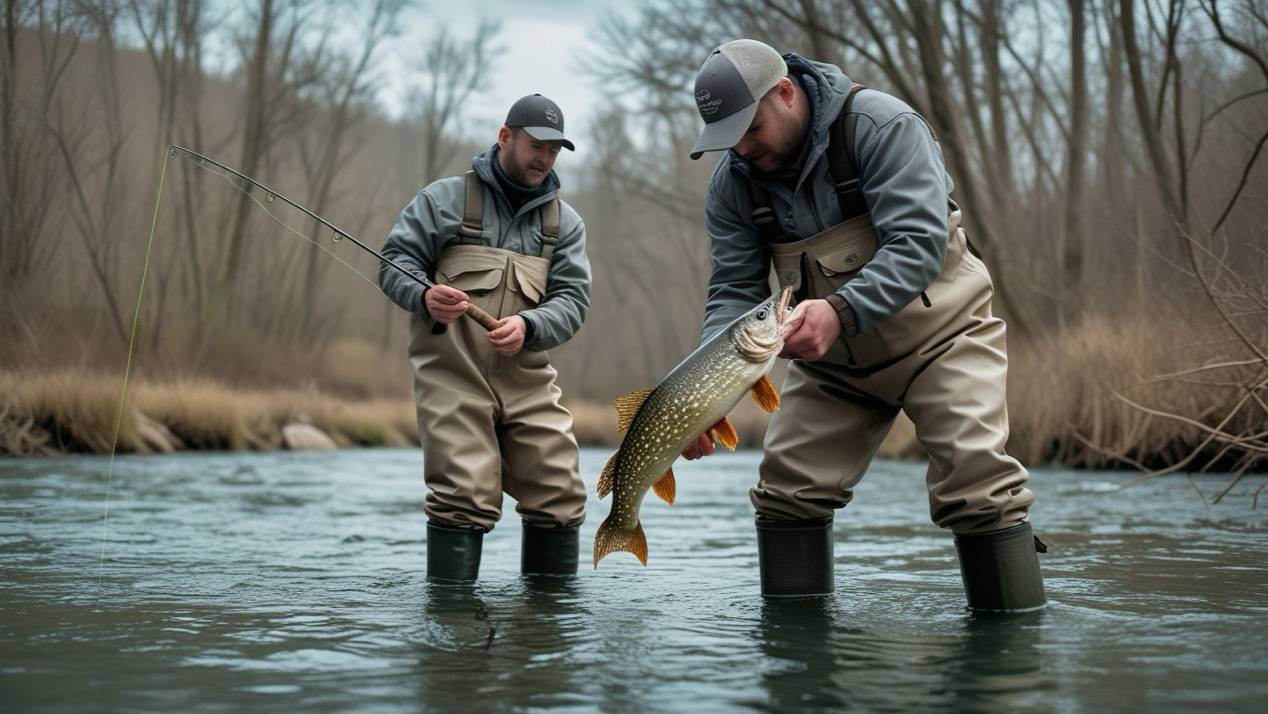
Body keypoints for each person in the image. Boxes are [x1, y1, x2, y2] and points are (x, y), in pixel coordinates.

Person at [684, 39, 1045, 611]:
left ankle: (1011, 662)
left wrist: (840, 310)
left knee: (980, 487)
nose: (743, 149)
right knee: (784, 494)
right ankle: (798, 671)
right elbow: (732, 293)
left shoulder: (881, 126)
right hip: (832, 367)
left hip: (942, 340)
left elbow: (918, 242)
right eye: (728, 138)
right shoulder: (733, 185)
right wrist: (704, 399)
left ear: (784, 91)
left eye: (749, 129)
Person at [379, 94, 591, 581]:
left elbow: (574, 303)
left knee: (560, 492)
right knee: (463, 495)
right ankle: (453, 637)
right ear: (505, 137)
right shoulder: (443, 200)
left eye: (555, 151)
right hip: (453, 380)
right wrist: (423, 294)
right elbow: (395, 263)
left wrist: (532, 326)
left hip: (529, 383)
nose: (545, 158)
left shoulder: (565, 224)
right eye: (537, 145)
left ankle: (545, 638)